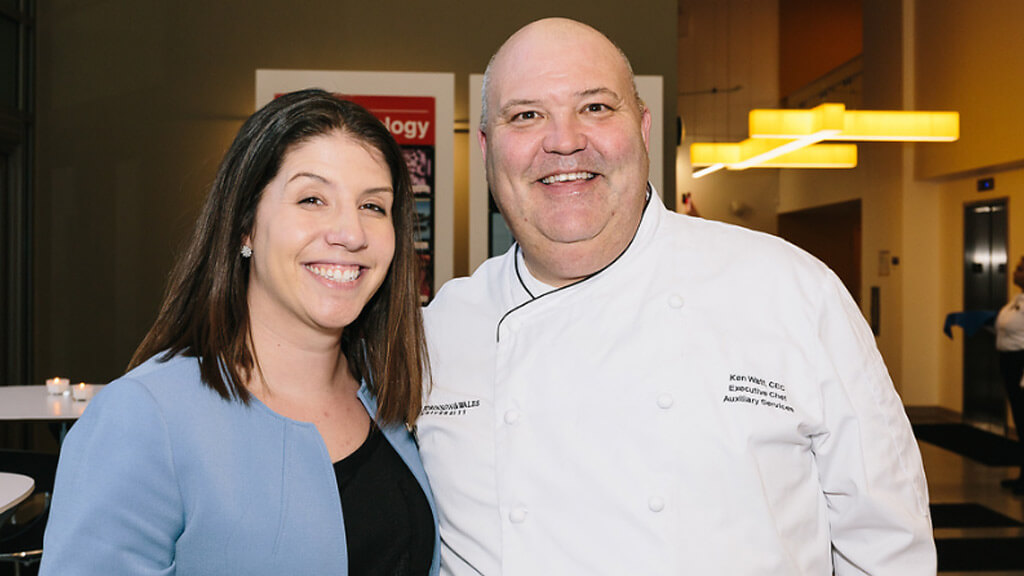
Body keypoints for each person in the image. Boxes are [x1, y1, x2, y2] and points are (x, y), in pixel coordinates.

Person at [416, 17, 935, 575]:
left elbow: (888, 545)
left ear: (642, 129)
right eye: (526, 115)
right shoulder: (438, 330)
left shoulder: (790, 291)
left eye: (595, 107)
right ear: (489, 149)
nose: (564, 141)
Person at [40, 89, 440, 575]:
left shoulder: (391, 393)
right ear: (246, 225)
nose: (351, 233)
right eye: (312, 199)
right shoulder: (145, 418)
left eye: (373, 206)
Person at [996, 255, 1024, 494]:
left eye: (1021, 270)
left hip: (1021, 363)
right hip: (1010, 362)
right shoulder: (1017, 300)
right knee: (1019, 418)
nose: (1016, 273)